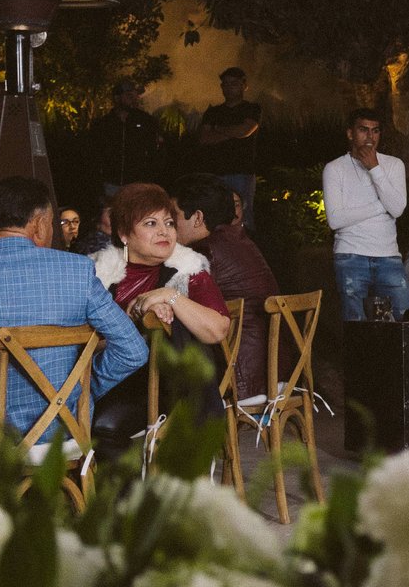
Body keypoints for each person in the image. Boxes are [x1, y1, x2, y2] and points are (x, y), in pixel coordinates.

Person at [0, 177, 149, 443]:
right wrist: (77, 391)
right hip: (65, 431)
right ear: (40, 225)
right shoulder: (78, 271)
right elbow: (134, 351)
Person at [89, 182, 231, 458]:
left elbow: (217, 330)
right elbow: (83, 340)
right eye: (151, 223)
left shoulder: (188, 270)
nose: (164, 231)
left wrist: (171, 298)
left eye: (169, 222)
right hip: (106, 376)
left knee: (103, 427)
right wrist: (131, 320)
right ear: (124, 234)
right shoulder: (98, 274)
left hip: (166, 385)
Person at [173, 173, 280, 399]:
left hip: (240, 376)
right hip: (271, 370)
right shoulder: (241, 240)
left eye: (174, 218)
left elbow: (182, 309)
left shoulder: (204, 252)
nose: (170, 228)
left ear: (198, 218)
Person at [324, 112, 409, 320]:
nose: (370, 137)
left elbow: (398, 209)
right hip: (350, 255)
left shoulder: (393, 165)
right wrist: (381, 206)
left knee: (406, 320)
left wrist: (374, 168)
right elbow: (335, 220)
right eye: (363, 130)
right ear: (350, 133)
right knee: (356, 326)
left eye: (375, 130)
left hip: (388, 255)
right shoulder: (334, 168)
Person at [193, 69, 263, 230]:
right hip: (215, 173)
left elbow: (245, 131)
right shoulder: (213, 112)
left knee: (242, 216)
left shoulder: (252, 109)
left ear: (244, 86)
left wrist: (217, 130)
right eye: (225, 84)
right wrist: (234, 133)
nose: (229, 88)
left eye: (234, 84)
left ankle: (244, 251)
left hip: (241, 172)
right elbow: (204, 138)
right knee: (216, 216)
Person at [99, 79, 165, 198]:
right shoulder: (104, 123)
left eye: (135, 96)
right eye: (129, 95)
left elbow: (154, 152)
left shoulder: (146, 121)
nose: (133, 99)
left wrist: (149, 178)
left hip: (137, 185)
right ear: (117, 98)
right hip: (110, 184)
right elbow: (96, 153)